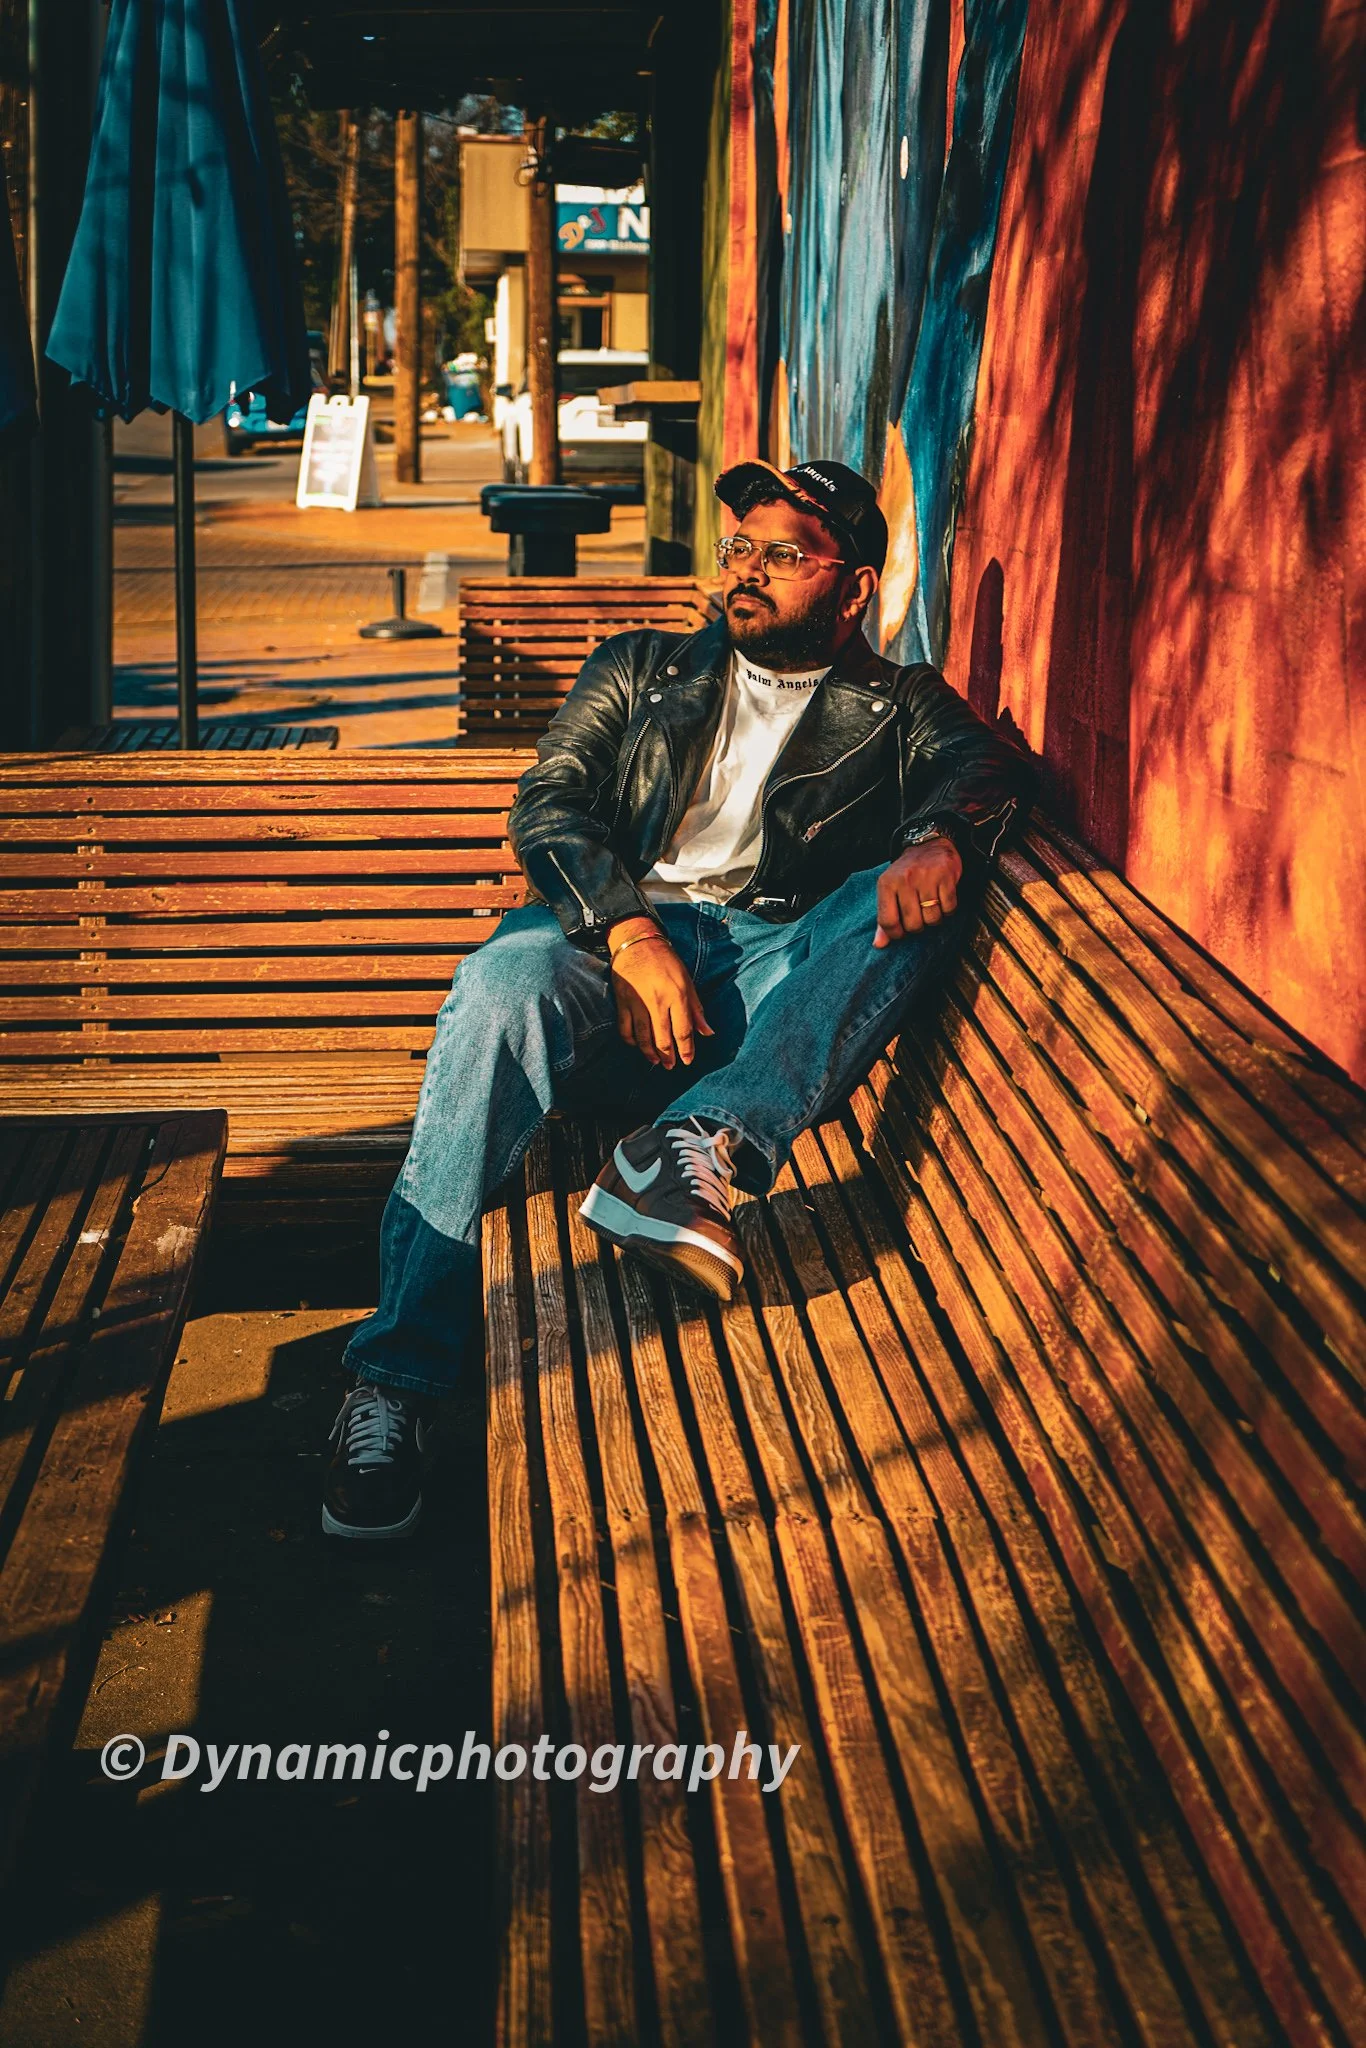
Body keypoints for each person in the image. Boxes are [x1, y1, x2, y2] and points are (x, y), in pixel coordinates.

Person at [322, 457, 1035, 1539]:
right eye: (740, 546)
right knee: (497, 983)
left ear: (854, 592)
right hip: (609, 953)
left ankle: (695, 1145)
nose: (747, 569)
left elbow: (983, 765)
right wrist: (630, 928)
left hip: (762, 996)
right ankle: (395, 1380)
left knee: (890, 899)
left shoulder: (898, 707)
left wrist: (939, 837)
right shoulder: (639, 668)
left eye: (786, 554)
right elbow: (551, 803)